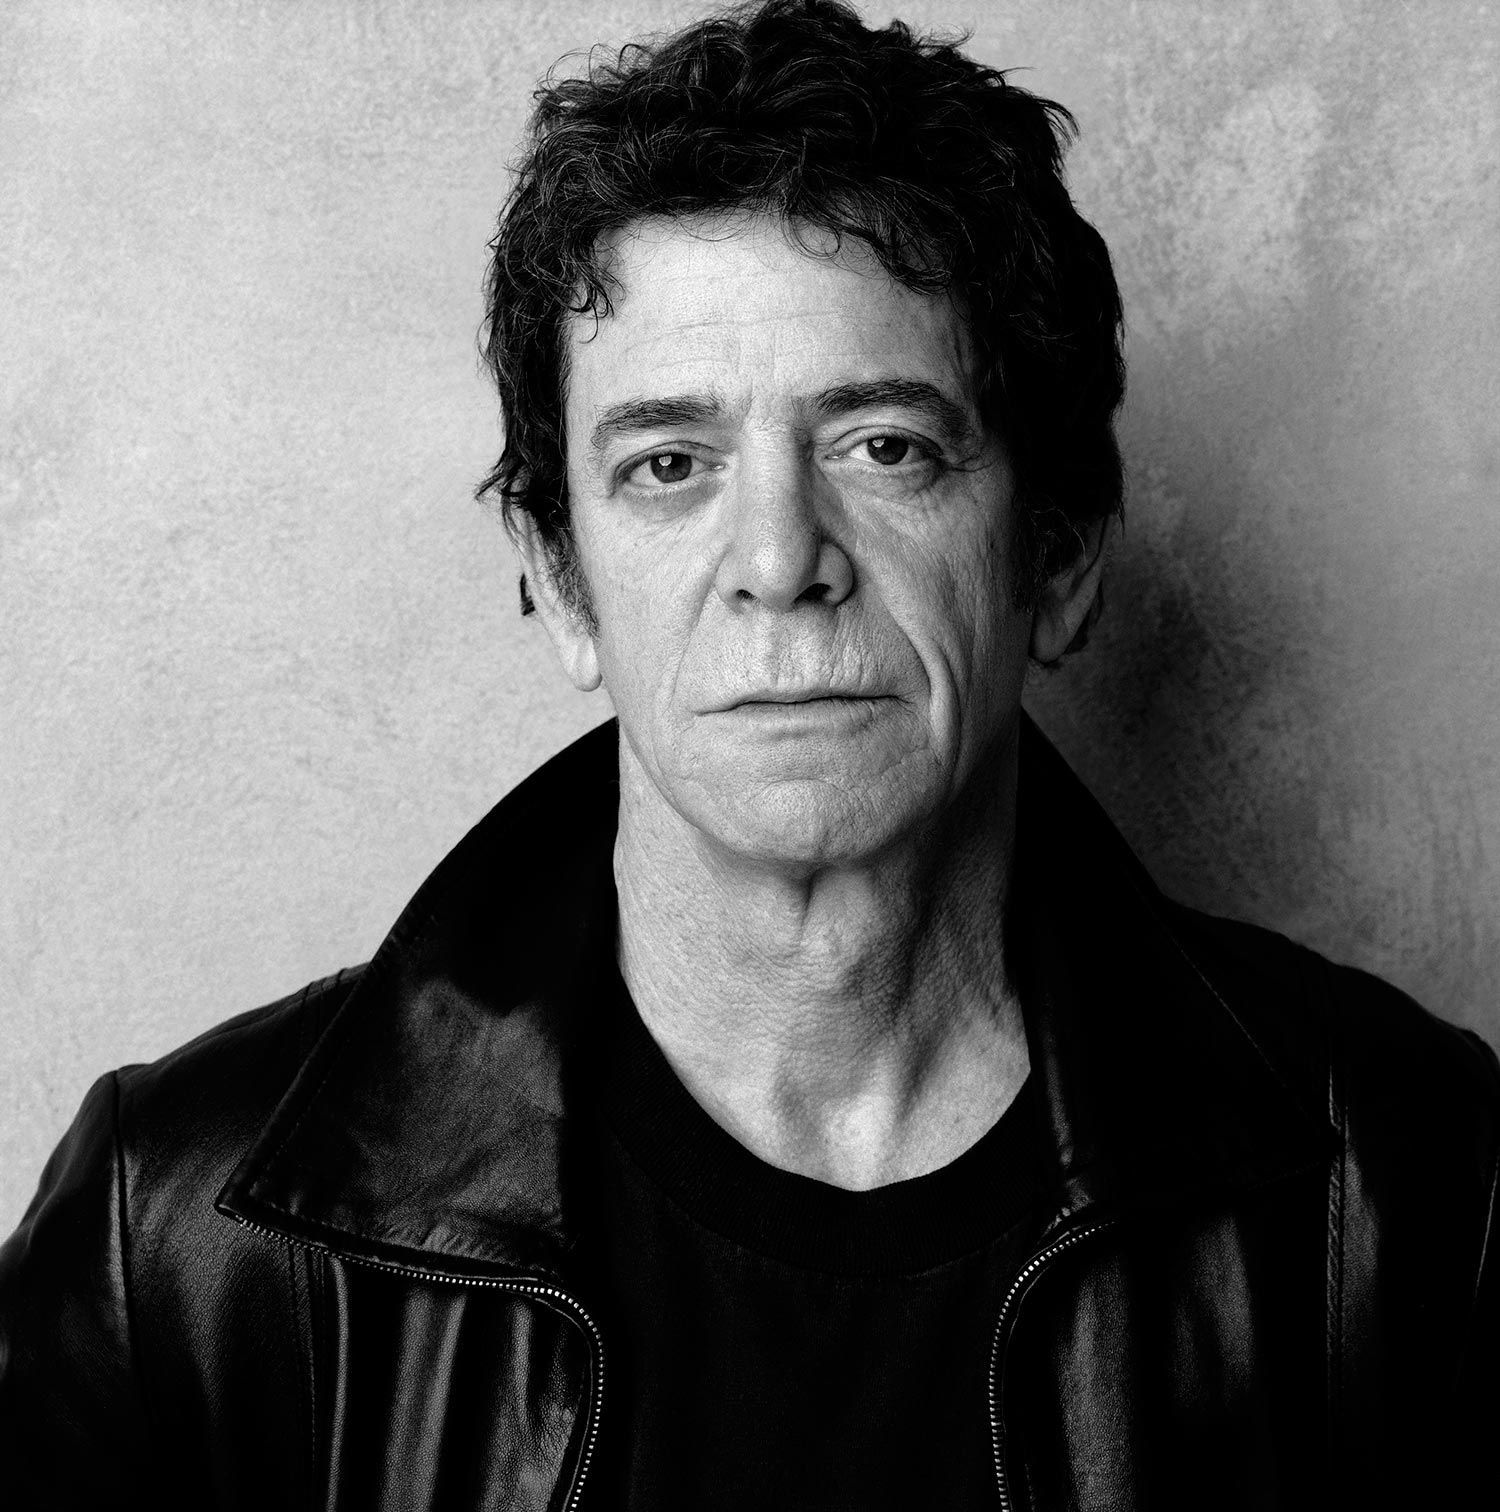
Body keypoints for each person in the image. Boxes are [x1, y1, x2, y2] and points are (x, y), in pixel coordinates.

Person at [2, 2, 1496, 1507]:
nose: (781, 560)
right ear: (563, 583)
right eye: (670, 464)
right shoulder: (180, 1242)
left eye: (885, 445)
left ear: (1058, 553)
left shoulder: (1409, 1185)